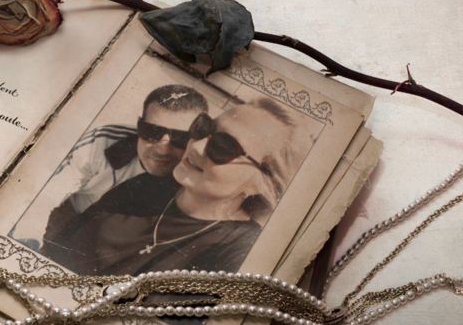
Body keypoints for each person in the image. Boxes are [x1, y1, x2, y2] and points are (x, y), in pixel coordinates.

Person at [40, 98, 312, 276]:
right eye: (204, 128)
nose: (197, 146)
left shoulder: (240, 251)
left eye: (224, 147)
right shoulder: (146, 186)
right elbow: (55, 250)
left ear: (262, 183)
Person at [11, 84, 209, 249]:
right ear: (139, 125)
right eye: (152, 131)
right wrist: (28, 238)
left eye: (180, 137)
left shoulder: (202, 173)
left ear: (197, 138)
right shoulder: (103, 142)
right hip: (74, 217)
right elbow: (45, 196)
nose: (162, 149)